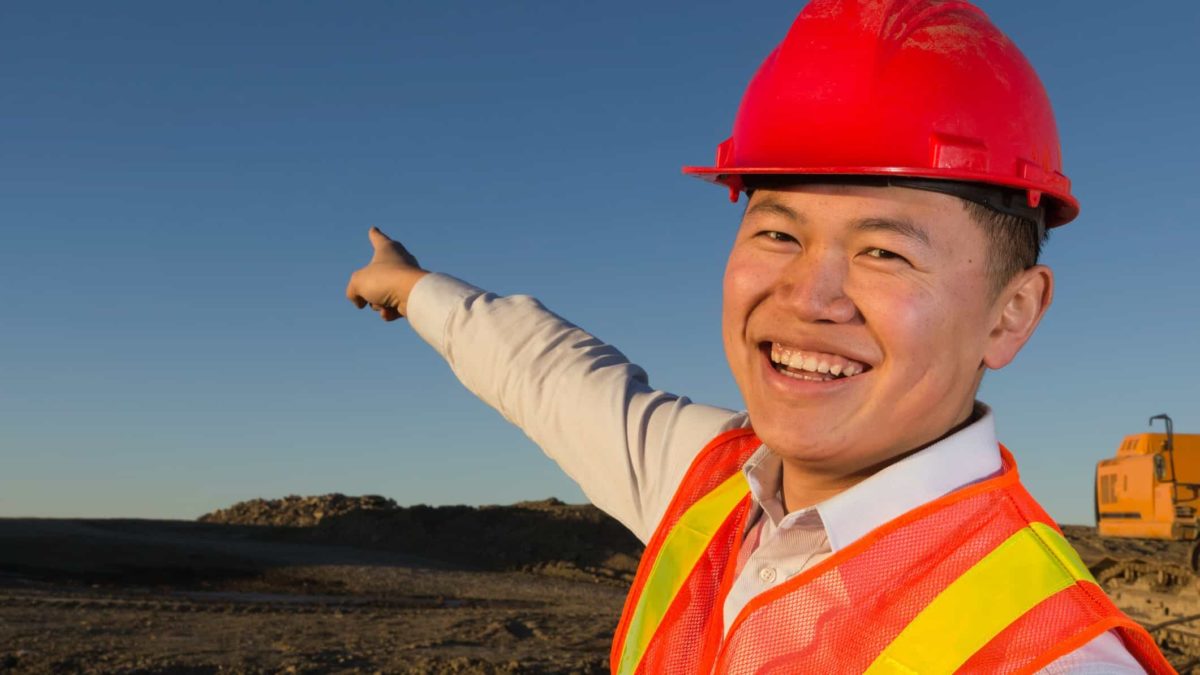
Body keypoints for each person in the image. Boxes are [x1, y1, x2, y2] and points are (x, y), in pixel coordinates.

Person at [345, 1, 1174, 672]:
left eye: (884, 251)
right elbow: (551, 375)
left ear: (1012, 312)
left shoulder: (1047, 656)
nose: (808, 295)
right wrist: (415, 288)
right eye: (778, 234)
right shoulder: (711, 483)